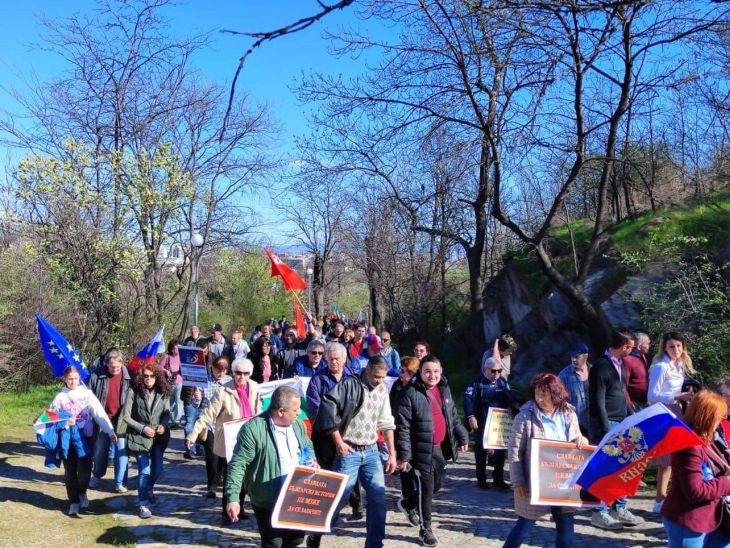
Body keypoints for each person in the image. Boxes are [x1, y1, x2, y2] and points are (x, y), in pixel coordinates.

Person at [312, 355, 397, 548]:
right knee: (338, 498)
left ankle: (375, 544)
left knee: (378, 499)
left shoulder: (382, 390)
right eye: (376, 376)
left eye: (383, 377)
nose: (379, 381)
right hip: (348, 451)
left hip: (371, 451)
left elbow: (386, 423)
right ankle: (317, 532)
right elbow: (327, 406)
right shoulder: (349, 385)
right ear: (367, 370)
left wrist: (392, 453)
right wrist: (338, 441)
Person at [503, 373, 589, 548]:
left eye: (544, 394)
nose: (539, 398)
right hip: (535, 482)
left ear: (555, 394)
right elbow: (514, 451)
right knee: (524, 528)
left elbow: (577, 439)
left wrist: (583, 441)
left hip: (563, 481)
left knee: (566, 535)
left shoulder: (568, 413)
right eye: (537, 393)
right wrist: (518, 481)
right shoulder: (525, 417)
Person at [225, 386, 314, 548]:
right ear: (281, 411)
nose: (299, 412)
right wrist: (233, 498)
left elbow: (307, 446)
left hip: (296, 498)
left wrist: (311, 460)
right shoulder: (253, 429)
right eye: (295, 410)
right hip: (267, 499)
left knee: (295, 541)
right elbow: (238, 464)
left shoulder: (298, 426)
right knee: (273, 543)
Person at [394, 355, 468, 547]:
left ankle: (409, 503)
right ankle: (425, 530)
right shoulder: (409, 393)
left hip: (439, 449)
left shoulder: (443, 388)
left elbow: (452, 415)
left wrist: (462, 435)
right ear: (420, 372)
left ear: (441, 371)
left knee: (437, 484)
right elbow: (402, 428)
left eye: (435, 371)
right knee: (427, 489)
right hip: (420, 450)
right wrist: (404, 456)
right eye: (427, 371)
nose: (432, 375)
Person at [187, 357, 262, 525]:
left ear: (250, 374)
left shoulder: (255, 387)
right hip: (230, 441)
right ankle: (226, 513)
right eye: (238, 373)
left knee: (244, 477)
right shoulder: (223, 391)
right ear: (233, 373)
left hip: (249, 440)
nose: (241, 377)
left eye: (245, 373)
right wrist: (193, 435)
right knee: (231, 477)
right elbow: (207, 414)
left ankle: (239, 508)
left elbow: (258, 410)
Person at [588, 330, 644, 530]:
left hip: (622, 421)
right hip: (607, 423)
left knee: (623, 468)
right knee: (605, 469)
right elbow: (598, 400)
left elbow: (621, 392)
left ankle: (618, 507)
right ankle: (599, 511)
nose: (632, 351)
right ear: (625, 346)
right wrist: (606, 430)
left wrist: (631, 415)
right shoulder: (601, 366)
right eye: (630, 347)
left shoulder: (619, 364)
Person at [660, 390, 730, 547]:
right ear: (707, 417)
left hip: (713, 518)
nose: (721, 421)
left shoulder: (707, 439)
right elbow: (695, 491)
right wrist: (727, 482)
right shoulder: (689, 446)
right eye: (719, 417)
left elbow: (717, 469)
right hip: (688, 519)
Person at [50, 365, 117, 516]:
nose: (72, 381)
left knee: (86, 468)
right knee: (70, 470)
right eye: (69, 379)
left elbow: (99, 413)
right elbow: (52, 417)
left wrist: (110, 430)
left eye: (75, 378)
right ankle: (73, 501)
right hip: (67, 437)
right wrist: (65, 423)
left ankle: (82, 492)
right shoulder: (60, 397)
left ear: (79, 378)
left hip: (86, 436)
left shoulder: (87, 395)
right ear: (65, 380)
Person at [648, 331, 697, 512]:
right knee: (666, 459)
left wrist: (687, 395)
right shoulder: (661, 367)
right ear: (665, 348)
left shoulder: (680, 365)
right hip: (665, 413)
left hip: (679, 412)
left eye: (678, 346)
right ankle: (660, 499)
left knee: (678, 457)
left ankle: (671, 496)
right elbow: (652, 395)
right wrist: (677, 395)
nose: (675, 349)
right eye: (671, 346)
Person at [118, 362, 171, 519]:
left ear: (157, 376)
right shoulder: (133, 391)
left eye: (151, 376)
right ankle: (143, 504)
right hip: (138, 436)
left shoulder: (163, 391)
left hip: (157, 437)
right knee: (144, 470)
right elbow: (126, 416)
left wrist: (163, 424)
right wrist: (142, 428)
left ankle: (148, 488)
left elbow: (167, 412)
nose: (148, 379)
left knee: (158, 469)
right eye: (145, 376)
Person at [464, 357, 512, 490]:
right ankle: (481, 478)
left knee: (500, 451)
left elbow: (509, 397)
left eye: (499, 371)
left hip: (498, 422)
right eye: (493, 371)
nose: (496, 374)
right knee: (481, 450)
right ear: (486, 369)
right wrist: (470, 416)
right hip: (482, 421)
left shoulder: (502, 382)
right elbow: (467, 399)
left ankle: (498, 479)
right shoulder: (476, 382)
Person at [88, 348, 131, 493]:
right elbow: (88, 396)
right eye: (112, 367)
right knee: (100, 450)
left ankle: (120, 482)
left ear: (122, 363)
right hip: (102, 420)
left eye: (118, 367)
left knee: (121, 451)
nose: (115, 369)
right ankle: (97, 475)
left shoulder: (129, 376)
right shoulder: (96, 375)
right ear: (106, 364)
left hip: (122, 420)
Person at [557, 342, 591, 436]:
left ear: (585, 356)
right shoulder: (564, 375)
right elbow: (558, 400)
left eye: (577, 357)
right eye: (572, 357)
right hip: (576, 424)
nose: (573, 359)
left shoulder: (595, 371)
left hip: (595, 422)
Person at [624, 331, 651, 411]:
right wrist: (629, 403)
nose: (649, 346)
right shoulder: (627, 360)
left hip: (644, 402)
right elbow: (623, 384)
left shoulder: (642, 357)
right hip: (634, 403)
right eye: (647, 343)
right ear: (639, 346)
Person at [160, 339, 183, 427]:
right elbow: (159, 367)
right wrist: (166, 371)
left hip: (179, 381)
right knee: (170, 401)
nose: (177, 349)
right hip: (169, 382)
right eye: (176, 348)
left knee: (179, 401)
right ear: (172, 349)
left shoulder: (181, 357)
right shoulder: (166, 357)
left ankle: (176, 420)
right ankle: (168, 418)